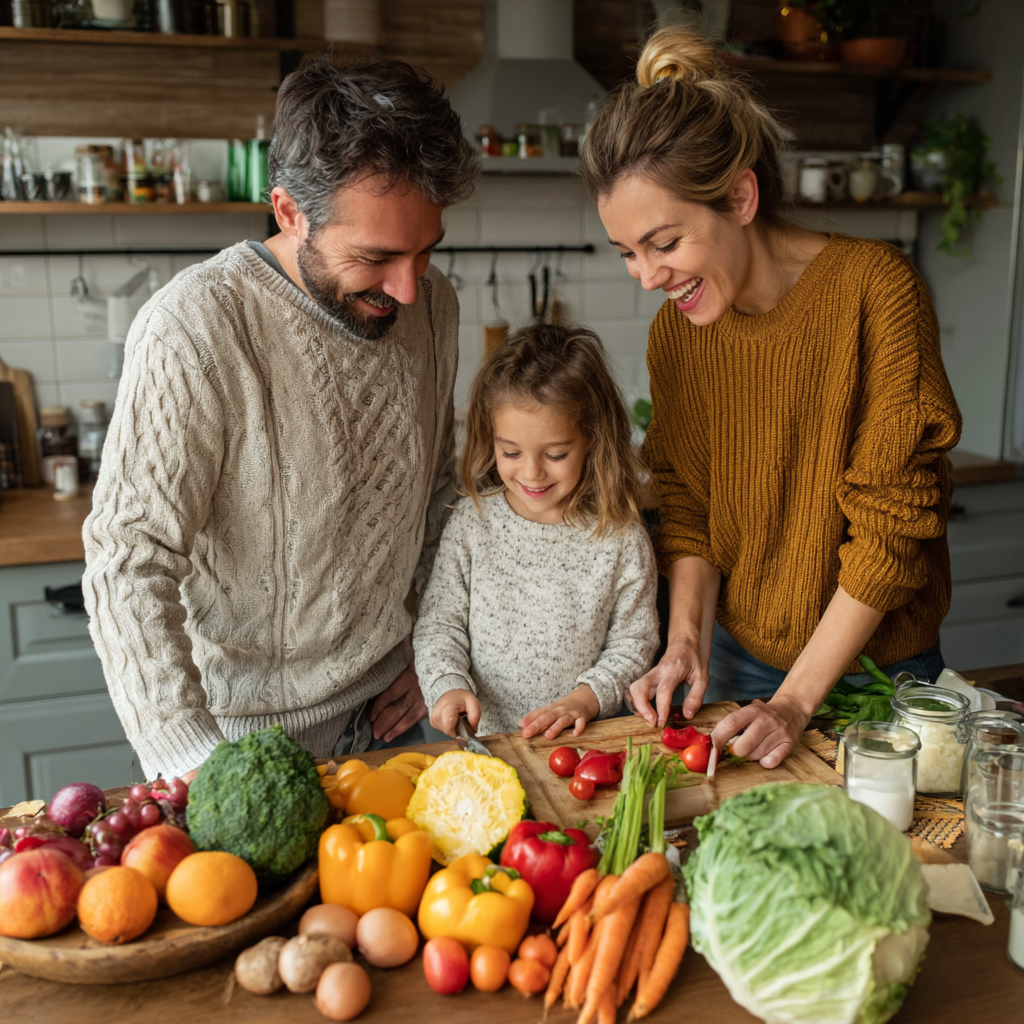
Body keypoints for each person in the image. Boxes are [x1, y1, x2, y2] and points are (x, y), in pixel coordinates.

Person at [82, 57, 478, 782]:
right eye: (378, 257)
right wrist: (192, 764)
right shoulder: (198, 328)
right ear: (290, 211)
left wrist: (440, 651)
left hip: (396, 725)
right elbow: (126, 562)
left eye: (427, 251)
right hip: (238, 749)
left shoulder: (435, 307)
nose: (409, 289)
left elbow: (435, 502)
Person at [578, 30, 962, 769]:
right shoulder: (680, 333)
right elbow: (689, 503)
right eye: (627, 251)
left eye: (664, 243)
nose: (646, 275)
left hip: (875, 674)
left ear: (741, 196)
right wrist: (685, 642)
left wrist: (795, 701)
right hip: (739, 661)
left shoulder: (876, 291)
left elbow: (891, 531)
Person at [413, 323, 659, 740]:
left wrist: (586, 698)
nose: (530, 472)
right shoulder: (474, 521)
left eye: (556, 454)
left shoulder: (620, 538)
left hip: (575, 746)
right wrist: (446, 685)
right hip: (483, 742)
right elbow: (440, 623)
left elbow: (634, 645)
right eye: (510, 451)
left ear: (592, 441)